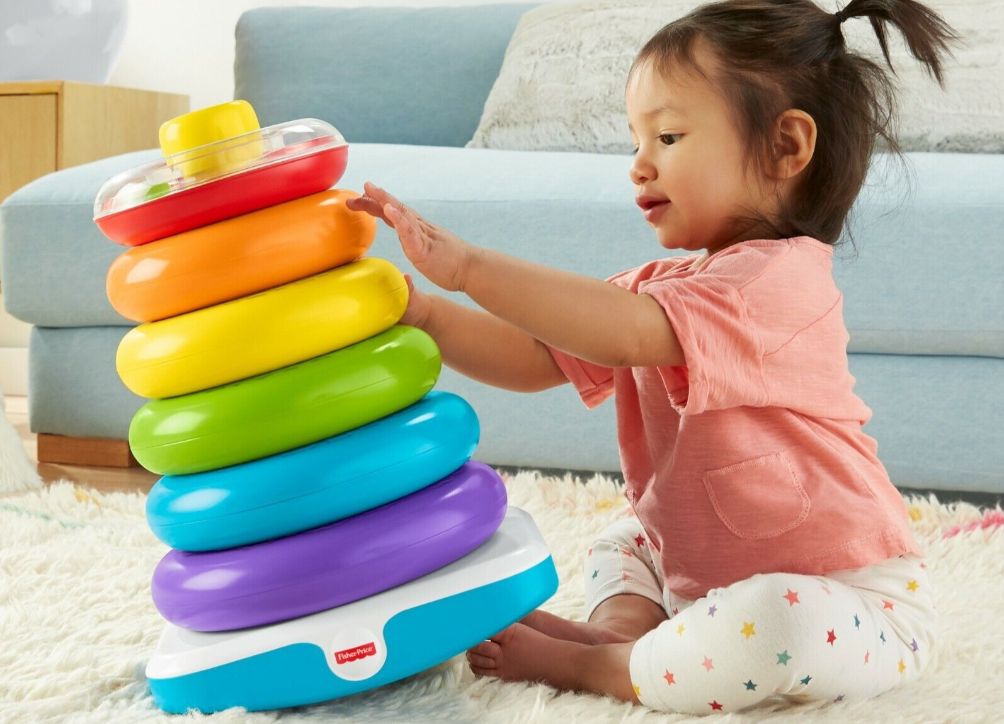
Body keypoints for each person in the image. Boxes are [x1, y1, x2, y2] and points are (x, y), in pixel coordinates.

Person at [346, 0, 957, 713]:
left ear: (786, 148)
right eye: (636, 141)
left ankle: (605, 667)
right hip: (704, 586)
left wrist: (469, 268)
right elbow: (538, 355)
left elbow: (625, 333)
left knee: (779, 621)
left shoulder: (779, 283)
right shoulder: (665, 288)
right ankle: (620, 635)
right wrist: (424, 314)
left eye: (667, 137)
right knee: (628, 537)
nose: (639, 165)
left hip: (851, 602)